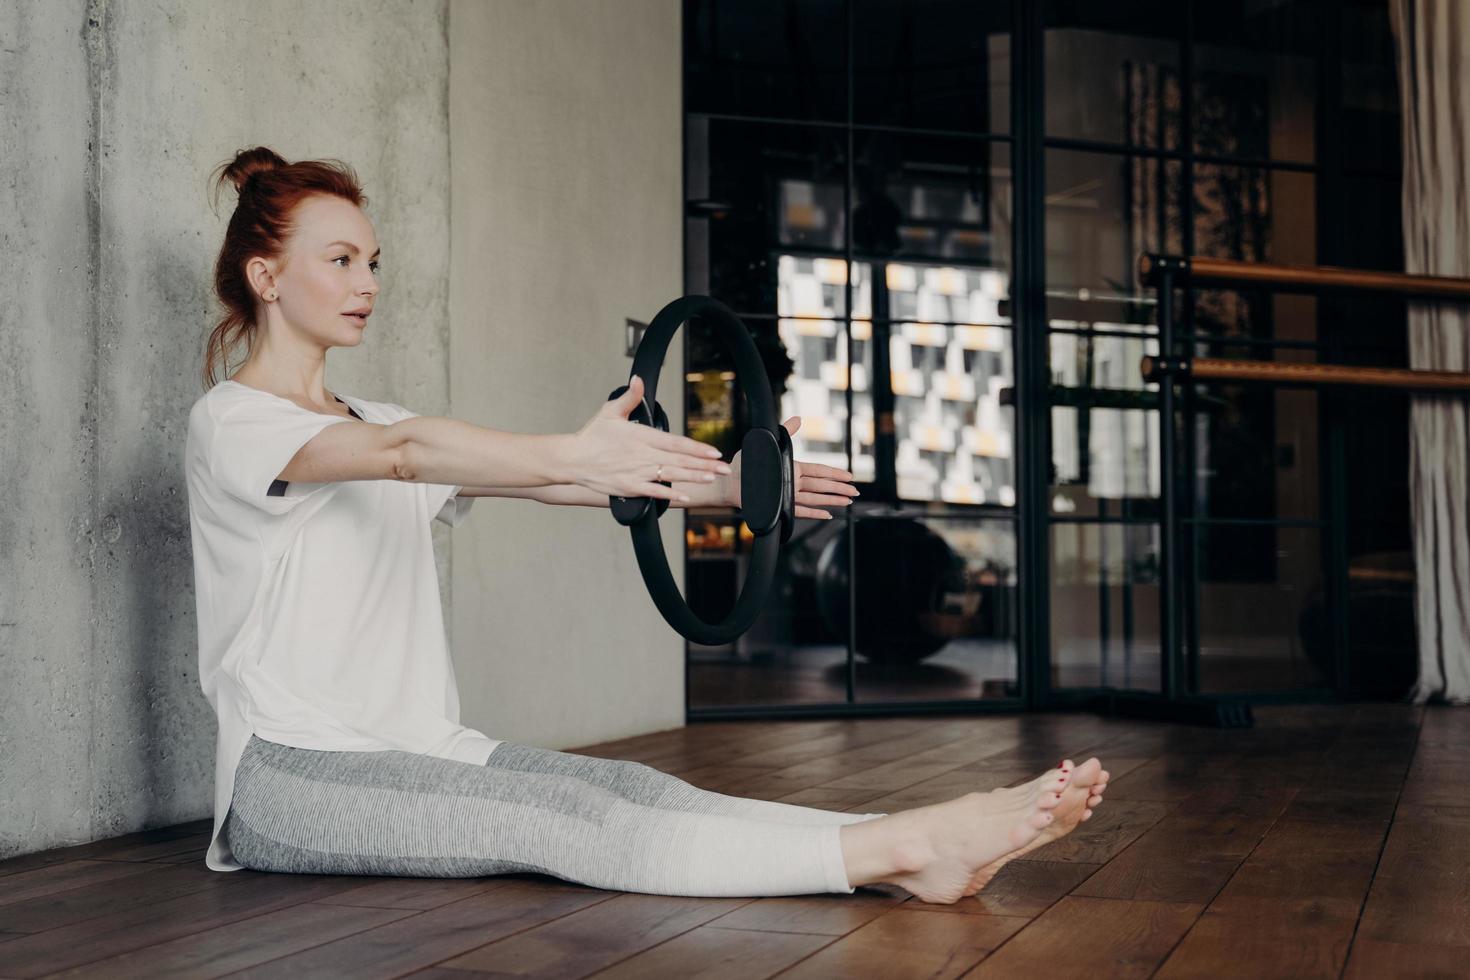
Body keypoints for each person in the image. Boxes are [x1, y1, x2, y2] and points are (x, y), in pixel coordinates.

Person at [183, 146, 1109, 905]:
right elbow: (409, 456)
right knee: (562, 826)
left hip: (422, 745)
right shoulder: (235, 423)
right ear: (266, 275)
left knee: (628, 787)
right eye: (339, 260)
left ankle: (914, 855)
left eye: (373, 261)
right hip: (294, 778)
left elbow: (553, 486)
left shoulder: (376, 415)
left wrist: (717, 488)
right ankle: (906, 845)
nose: (367, 282)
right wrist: (573, 452)